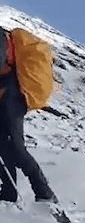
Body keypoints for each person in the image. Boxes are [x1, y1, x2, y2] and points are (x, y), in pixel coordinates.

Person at [0, 26, 57, 203]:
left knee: (16, 147)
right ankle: (9, 194)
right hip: (6, 95)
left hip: (12, 96)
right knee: (2, 145)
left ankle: (45, 193)